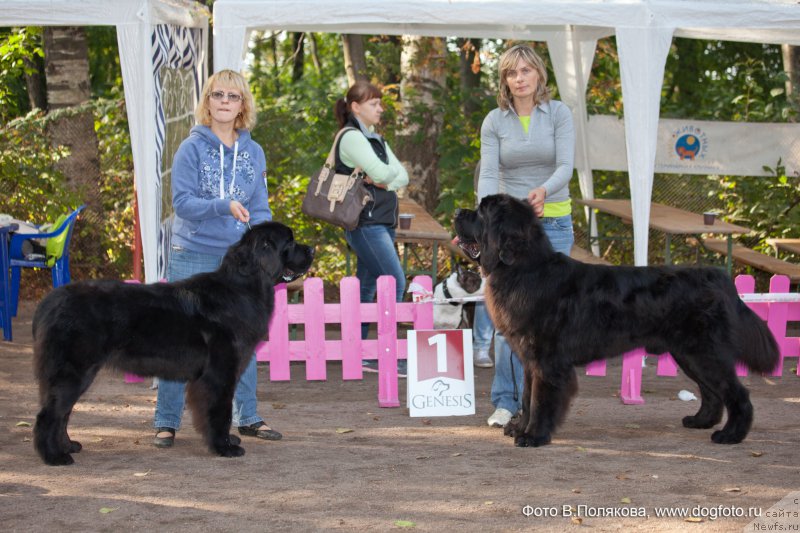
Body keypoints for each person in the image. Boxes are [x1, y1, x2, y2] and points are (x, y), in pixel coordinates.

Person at [152, 69, 282, 448]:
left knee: (242, 339)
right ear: (207, 102)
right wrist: (223, 206)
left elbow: (259, 206)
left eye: (233, 96)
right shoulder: (190, 148)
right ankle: (166, 421)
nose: (225, 101)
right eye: (218, 94)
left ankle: (248, 417)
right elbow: (182, 204)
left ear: (243, 105)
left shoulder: (254, 152)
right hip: (191, 254)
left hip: (239, 265)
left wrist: (266, 247)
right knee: (180, 342)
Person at [477, 44, 575, 428]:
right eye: (511, 73)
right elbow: (488, 174)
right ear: (504, 80)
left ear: (538, 74)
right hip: (509, 234)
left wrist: (544, 191)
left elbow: (566, 165)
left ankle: (541, 408)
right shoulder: (494, 121)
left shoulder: (559, 114)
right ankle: (504, 401)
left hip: (554, 225)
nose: (519, 79)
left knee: (547, 325)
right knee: (509, 322)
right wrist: (485, 225)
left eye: (525, 71)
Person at [333, 81, 409, 376]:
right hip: (365, 223)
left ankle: (360, 352)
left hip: (381, 222)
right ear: (355, 107)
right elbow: (384, 171)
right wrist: (381, 174)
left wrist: (383, 178)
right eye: (374, 103)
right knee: (394, 282)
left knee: (366, 288)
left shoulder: (375, 138)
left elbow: (401, 176)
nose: (380, 108)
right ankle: (382, 354)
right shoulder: (351, 138)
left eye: (380, 103)